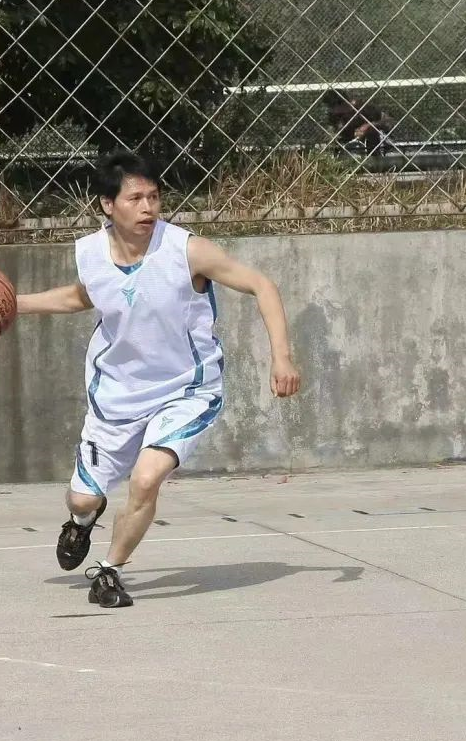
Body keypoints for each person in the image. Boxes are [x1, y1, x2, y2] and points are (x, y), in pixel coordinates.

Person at [16, 151, 301, 608]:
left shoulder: (186, 250)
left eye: (154, 197)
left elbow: (261, 285)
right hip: (116, 394)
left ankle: (109, 571)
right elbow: (82, 297)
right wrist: (14, 304)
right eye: (135, 198)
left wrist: (281, 357)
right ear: (108, 205)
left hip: (186, 389)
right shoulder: (91, 252)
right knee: (82, 499)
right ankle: (82, 522)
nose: (147, 207)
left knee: (147, 478)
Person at [320, 88, 395, 156]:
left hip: (371, 145)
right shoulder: (334, 115)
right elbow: (330, 133)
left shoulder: (364, 107)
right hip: (347, 147)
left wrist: (369, 126)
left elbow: (389, 121)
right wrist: (333, 135)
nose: (332, 111)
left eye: (332, 107)